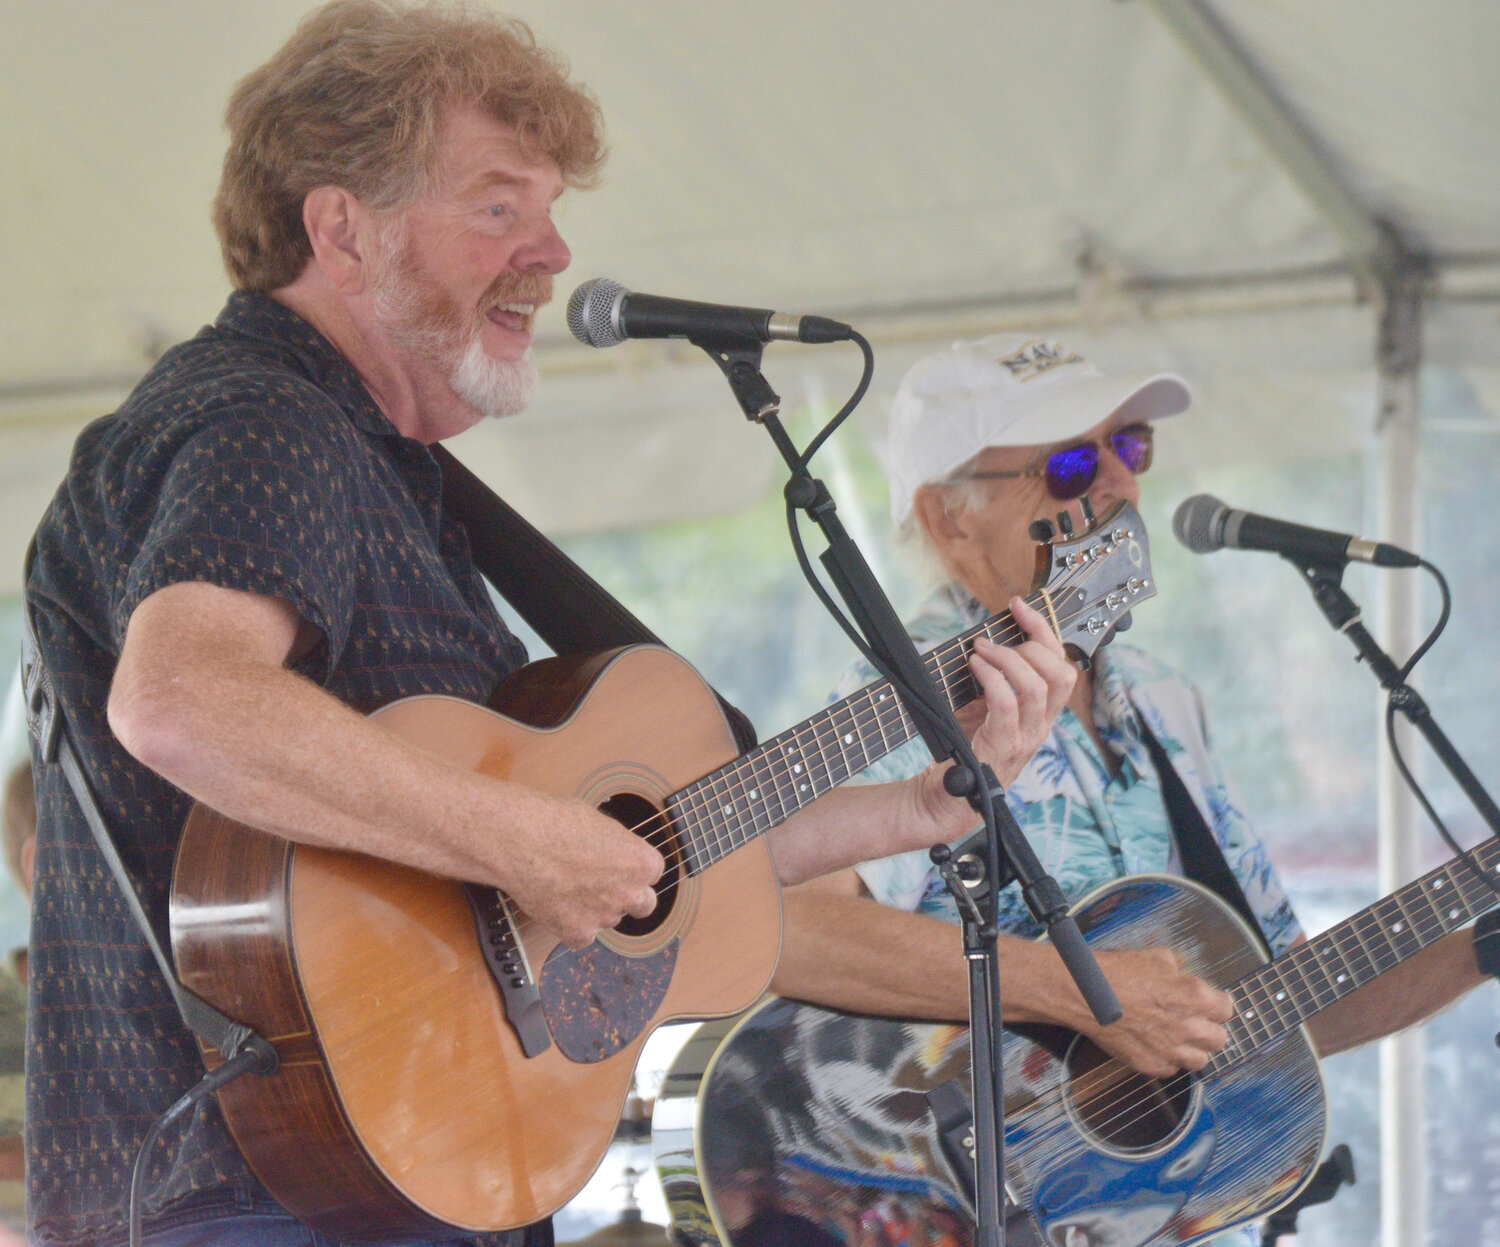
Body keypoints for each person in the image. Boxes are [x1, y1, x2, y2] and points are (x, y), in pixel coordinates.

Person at [21, 7, 1075, 1247]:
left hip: (386, 1168)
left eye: (551, 208)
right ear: (341, 228)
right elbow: (183, 700)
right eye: (498, 207)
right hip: (259, 1193)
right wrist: (527, 840)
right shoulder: (267, 422)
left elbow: (640, 850)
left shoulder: (393, 470)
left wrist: (914, 807)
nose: (554, 248)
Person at [770, 333, 1489, 1243]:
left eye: (1131, 445)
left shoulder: (1163, 698)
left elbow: (1267, 1004)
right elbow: (791, 929)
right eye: (1070, 462)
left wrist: (1478, 946)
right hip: (941, 1205)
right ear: (950, 517)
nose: (1117, 481)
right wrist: (1082, 990)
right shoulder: (900, 702)